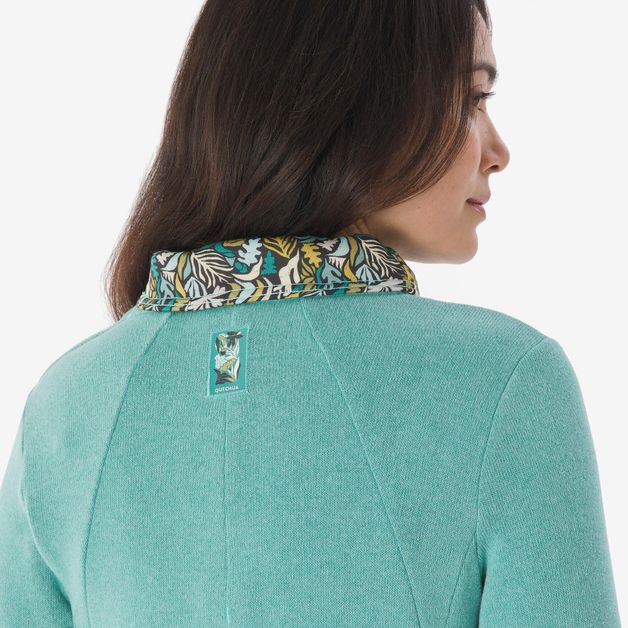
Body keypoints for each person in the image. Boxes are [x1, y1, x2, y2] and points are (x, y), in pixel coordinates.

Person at [0, 2, 621, 626]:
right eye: (471, 99)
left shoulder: (65, 405)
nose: (498, 151)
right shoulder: (506, 382)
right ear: (355, 100)